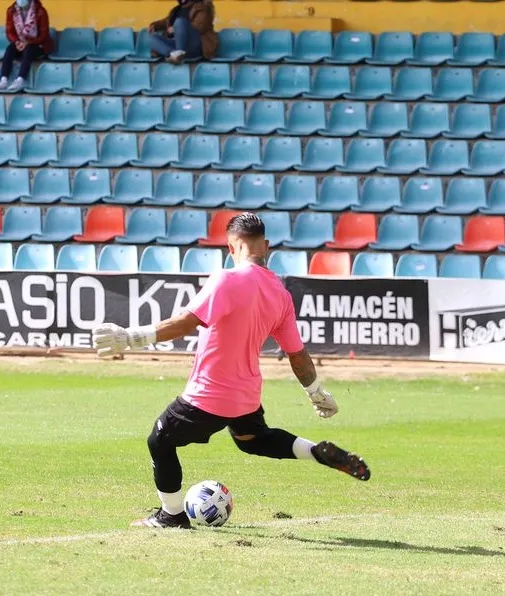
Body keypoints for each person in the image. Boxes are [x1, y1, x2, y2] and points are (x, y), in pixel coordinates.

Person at [92, 213, 370, 529]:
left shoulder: (226, 279)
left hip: (210, 393)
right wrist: (316, 393)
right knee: (253, 439)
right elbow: (297, 355)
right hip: (246, 395)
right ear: (266, 245)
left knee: (160, 440)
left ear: (231, 246)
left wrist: (131, 337)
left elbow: (186, 322)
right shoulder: (280, 294)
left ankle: (171, 515)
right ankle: (316, 452)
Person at [0, 0, 54, 92]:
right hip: (20, 42)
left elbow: (43, 35)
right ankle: (4, 79)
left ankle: (20, 80)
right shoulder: (12, 11)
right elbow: (9, 31)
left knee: (29, 50)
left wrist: (28, 42)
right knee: (10, 49)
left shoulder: (40, 11)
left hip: (38, 44)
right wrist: (16, 42)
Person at [147, 0, 218, 64]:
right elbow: (166, 21)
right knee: (150, 38)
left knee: (180, 22)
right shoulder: (177, 9)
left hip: (194, 45)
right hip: (177, 44)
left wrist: (176, 28)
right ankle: (173, 54)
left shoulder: (202, 6)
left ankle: (179, 53)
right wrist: (155, 25)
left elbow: (200, 27)